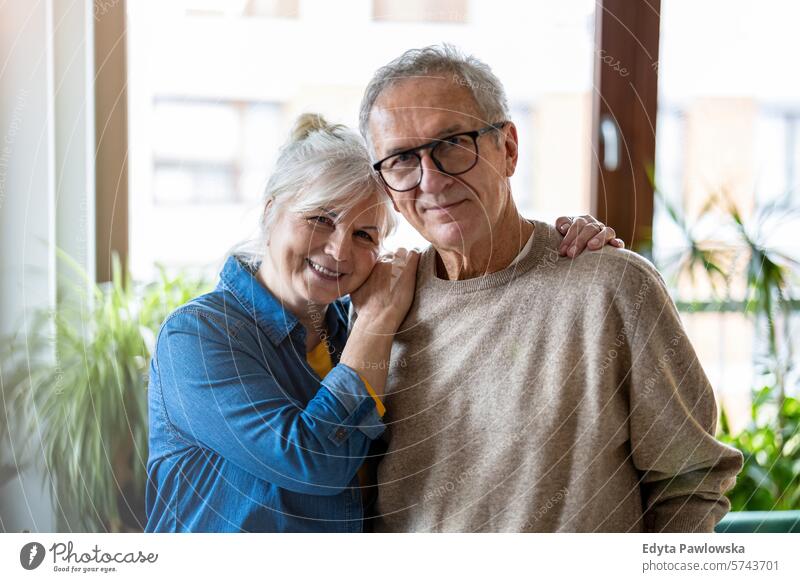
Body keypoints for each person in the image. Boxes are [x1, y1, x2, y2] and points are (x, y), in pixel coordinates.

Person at [144, 113, 618, 532]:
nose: (338, 251)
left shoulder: (354, 330)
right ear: (271, 211)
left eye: (364, 234)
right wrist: (374, 323)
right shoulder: (197, 337)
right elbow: (312, 460)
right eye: (320, 219)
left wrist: (563, 248)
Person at [358, 45, 744, 533]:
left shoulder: (612, 287)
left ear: (509, 149)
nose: (430, 180)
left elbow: (691, 481)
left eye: (452, 142)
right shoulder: (376, 308)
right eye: (401, 159)